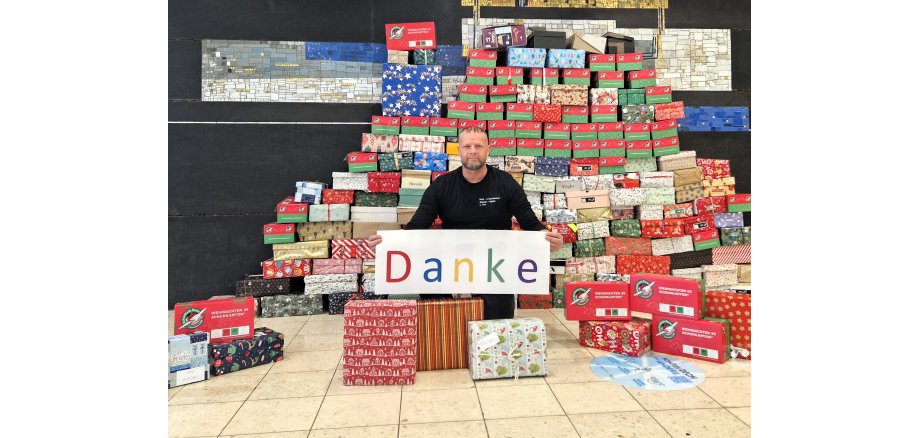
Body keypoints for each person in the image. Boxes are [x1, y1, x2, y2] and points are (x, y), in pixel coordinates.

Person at [367, 126, 563, 319]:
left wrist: (548, 238)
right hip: (448, 265)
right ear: (459, 150)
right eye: (467, 146)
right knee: (439, 318)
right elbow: (418, 224)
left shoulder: (506, 183)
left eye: (478, 146)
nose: (472, 151)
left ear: (488, 149)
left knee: (496, 321)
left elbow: (530, 222)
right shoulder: (442, 185)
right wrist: (389, 244)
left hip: (495, 267)